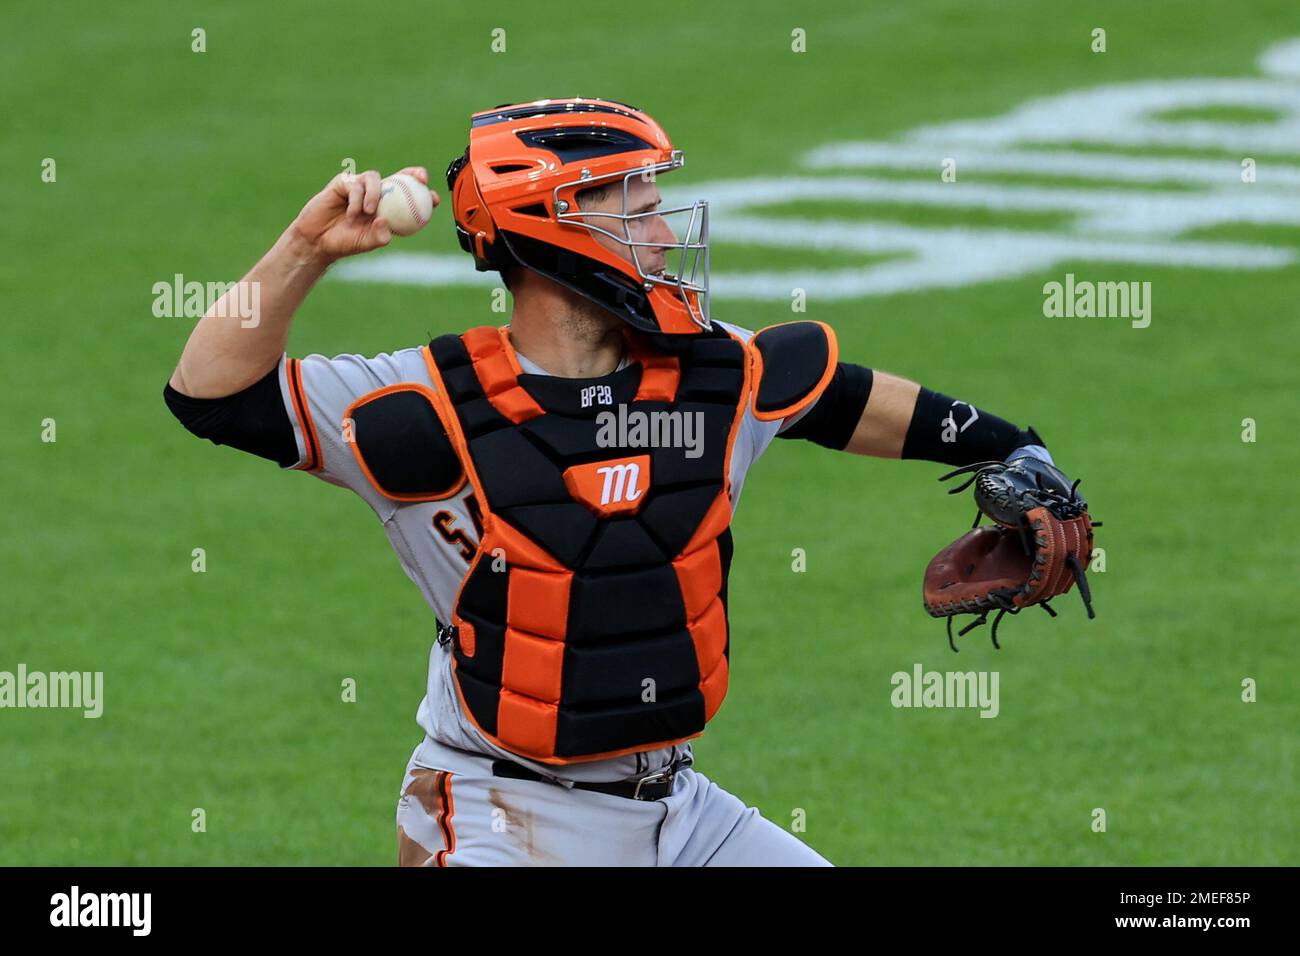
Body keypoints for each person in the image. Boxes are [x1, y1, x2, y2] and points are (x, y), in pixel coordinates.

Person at [165, 97, 1065, 866]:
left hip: (682, 814)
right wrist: (304, 249)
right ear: (552, 223)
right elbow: (214, 395)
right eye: (638, 207)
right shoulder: (426, 409)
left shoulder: (717, 376)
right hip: (504, 820)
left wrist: (1015, 451)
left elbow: (845, 397)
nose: (669, 234)